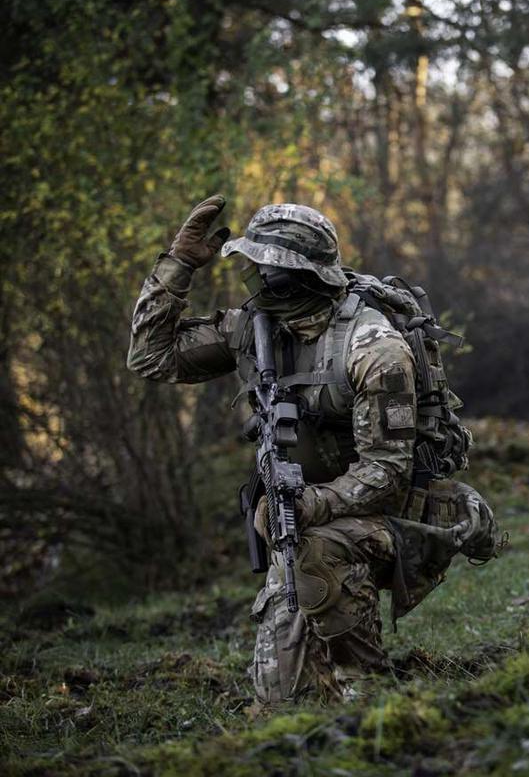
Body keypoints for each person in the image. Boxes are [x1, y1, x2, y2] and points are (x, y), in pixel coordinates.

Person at [128, 195, 498, 703]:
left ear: (299, 276)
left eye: (268, 271)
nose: (257, 282)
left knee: (319, 550)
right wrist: (179, 265)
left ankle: (368, 686)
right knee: (283, 701)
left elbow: (386, 471)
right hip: (307, 519)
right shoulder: (256, 328)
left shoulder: (373, 347)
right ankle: (325, 676)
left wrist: (309, 505)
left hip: (395, 517)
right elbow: (151, 357)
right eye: (254, 269)